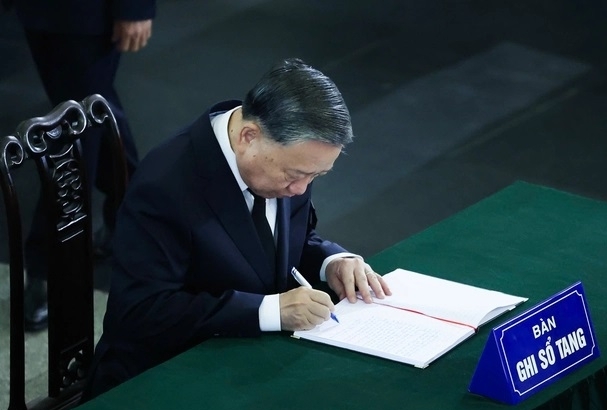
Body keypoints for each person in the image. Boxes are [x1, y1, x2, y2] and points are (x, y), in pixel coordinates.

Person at [81, 58, 392, 400]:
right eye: (296, 175)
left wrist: (331, 261)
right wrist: (269, 311)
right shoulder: (164, 186)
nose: (301, 189)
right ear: (248, 136)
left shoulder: (293, 159)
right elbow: (142, 310)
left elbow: (283, 243)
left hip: (245, 358)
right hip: (163, 376)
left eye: (316, 176)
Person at [8, 0, 156, 331]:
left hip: (89, 11)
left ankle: (48, 266)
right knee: (89, 109)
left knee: (74, 127)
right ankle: (135, 217)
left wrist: (134, 6)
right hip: (37, 10)